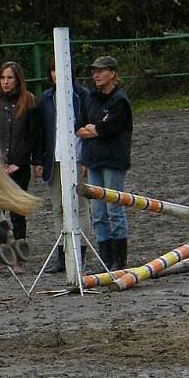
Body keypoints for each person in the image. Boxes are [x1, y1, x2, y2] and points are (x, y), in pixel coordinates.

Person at [35, 58, 94, 273]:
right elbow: (41, 132)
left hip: (77, 157)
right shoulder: (46, 98)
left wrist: (86, 158)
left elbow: (89, 128)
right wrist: (39, 160)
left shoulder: (83, 95)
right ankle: (62, 253)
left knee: (80, 206)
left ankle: (81, 251)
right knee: (57, 207)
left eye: (60, 70)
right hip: (54, 158)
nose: (56, 74)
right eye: (53, 70)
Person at [76, 55, 133, 270]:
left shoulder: (120, 101)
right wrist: (95, 129)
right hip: (94, 160)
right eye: (94, 71)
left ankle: (119, 260)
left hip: (113, 159)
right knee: (98, 213)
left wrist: (94, 129)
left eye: (100, 71)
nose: (96, 75)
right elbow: (80, 127)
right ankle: (105, 258)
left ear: (112, 73)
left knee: (114, 209)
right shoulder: (91, 98)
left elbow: (106, 129)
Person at [0, 61, 41, 273]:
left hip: (19, 165)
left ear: (18, 79)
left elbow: (33, 136)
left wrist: (19, 162)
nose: (6, 82)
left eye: (10, 78)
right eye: (3, 78)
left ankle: (17, 254)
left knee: (17, 212)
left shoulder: (29, 102)